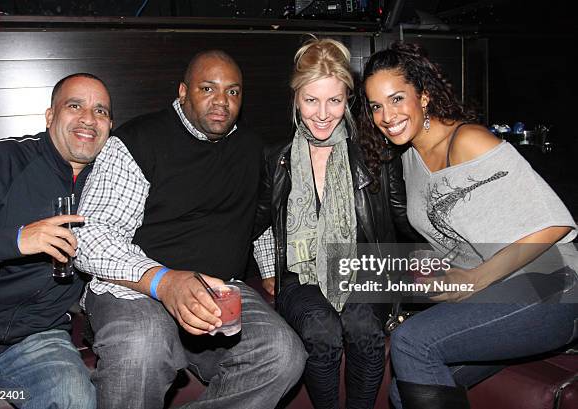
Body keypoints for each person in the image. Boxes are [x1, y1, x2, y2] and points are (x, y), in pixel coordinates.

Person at [73, 50, 306, 409]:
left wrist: (271, 268)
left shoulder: (250, 148)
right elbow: (89, 237)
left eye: (233, 92)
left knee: (282, 354)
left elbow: (254, 216)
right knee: (142, 347)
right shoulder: (137, 141)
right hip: (136, 290)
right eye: (207, 88)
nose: (221, 102)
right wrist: (164, 281)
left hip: (217, 289)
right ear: (183, 92)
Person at [360, 41, 578, 409]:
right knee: (404, 393)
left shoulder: (467, 140)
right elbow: (461, 231)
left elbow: (553, 224)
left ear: (424, 96)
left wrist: (475, 278)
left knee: (411, 342)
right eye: (376, 106)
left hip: (552, 286)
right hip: (498, 293)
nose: (387, 115)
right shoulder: (410, 156)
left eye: (397, 99)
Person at [254, 37, 413, 409]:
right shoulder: (276, 158)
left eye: (334, 100)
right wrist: (264, 267)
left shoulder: (374, 155)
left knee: (362, 327)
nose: (323, 113)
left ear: (348, 100)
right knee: (321, 328)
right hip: (300, 275)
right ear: (296, 99)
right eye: (311, 100)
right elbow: (257, 219)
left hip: (363, 268)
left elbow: (405, 217)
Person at [0, 72, 112, 408]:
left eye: (101, 111)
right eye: (75, 106)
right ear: (50, 116)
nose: (89, 119)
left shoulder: (111, 186)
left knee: (75, 399)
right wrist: (15, 240)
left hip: (37, 339)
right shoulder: (0, 161)